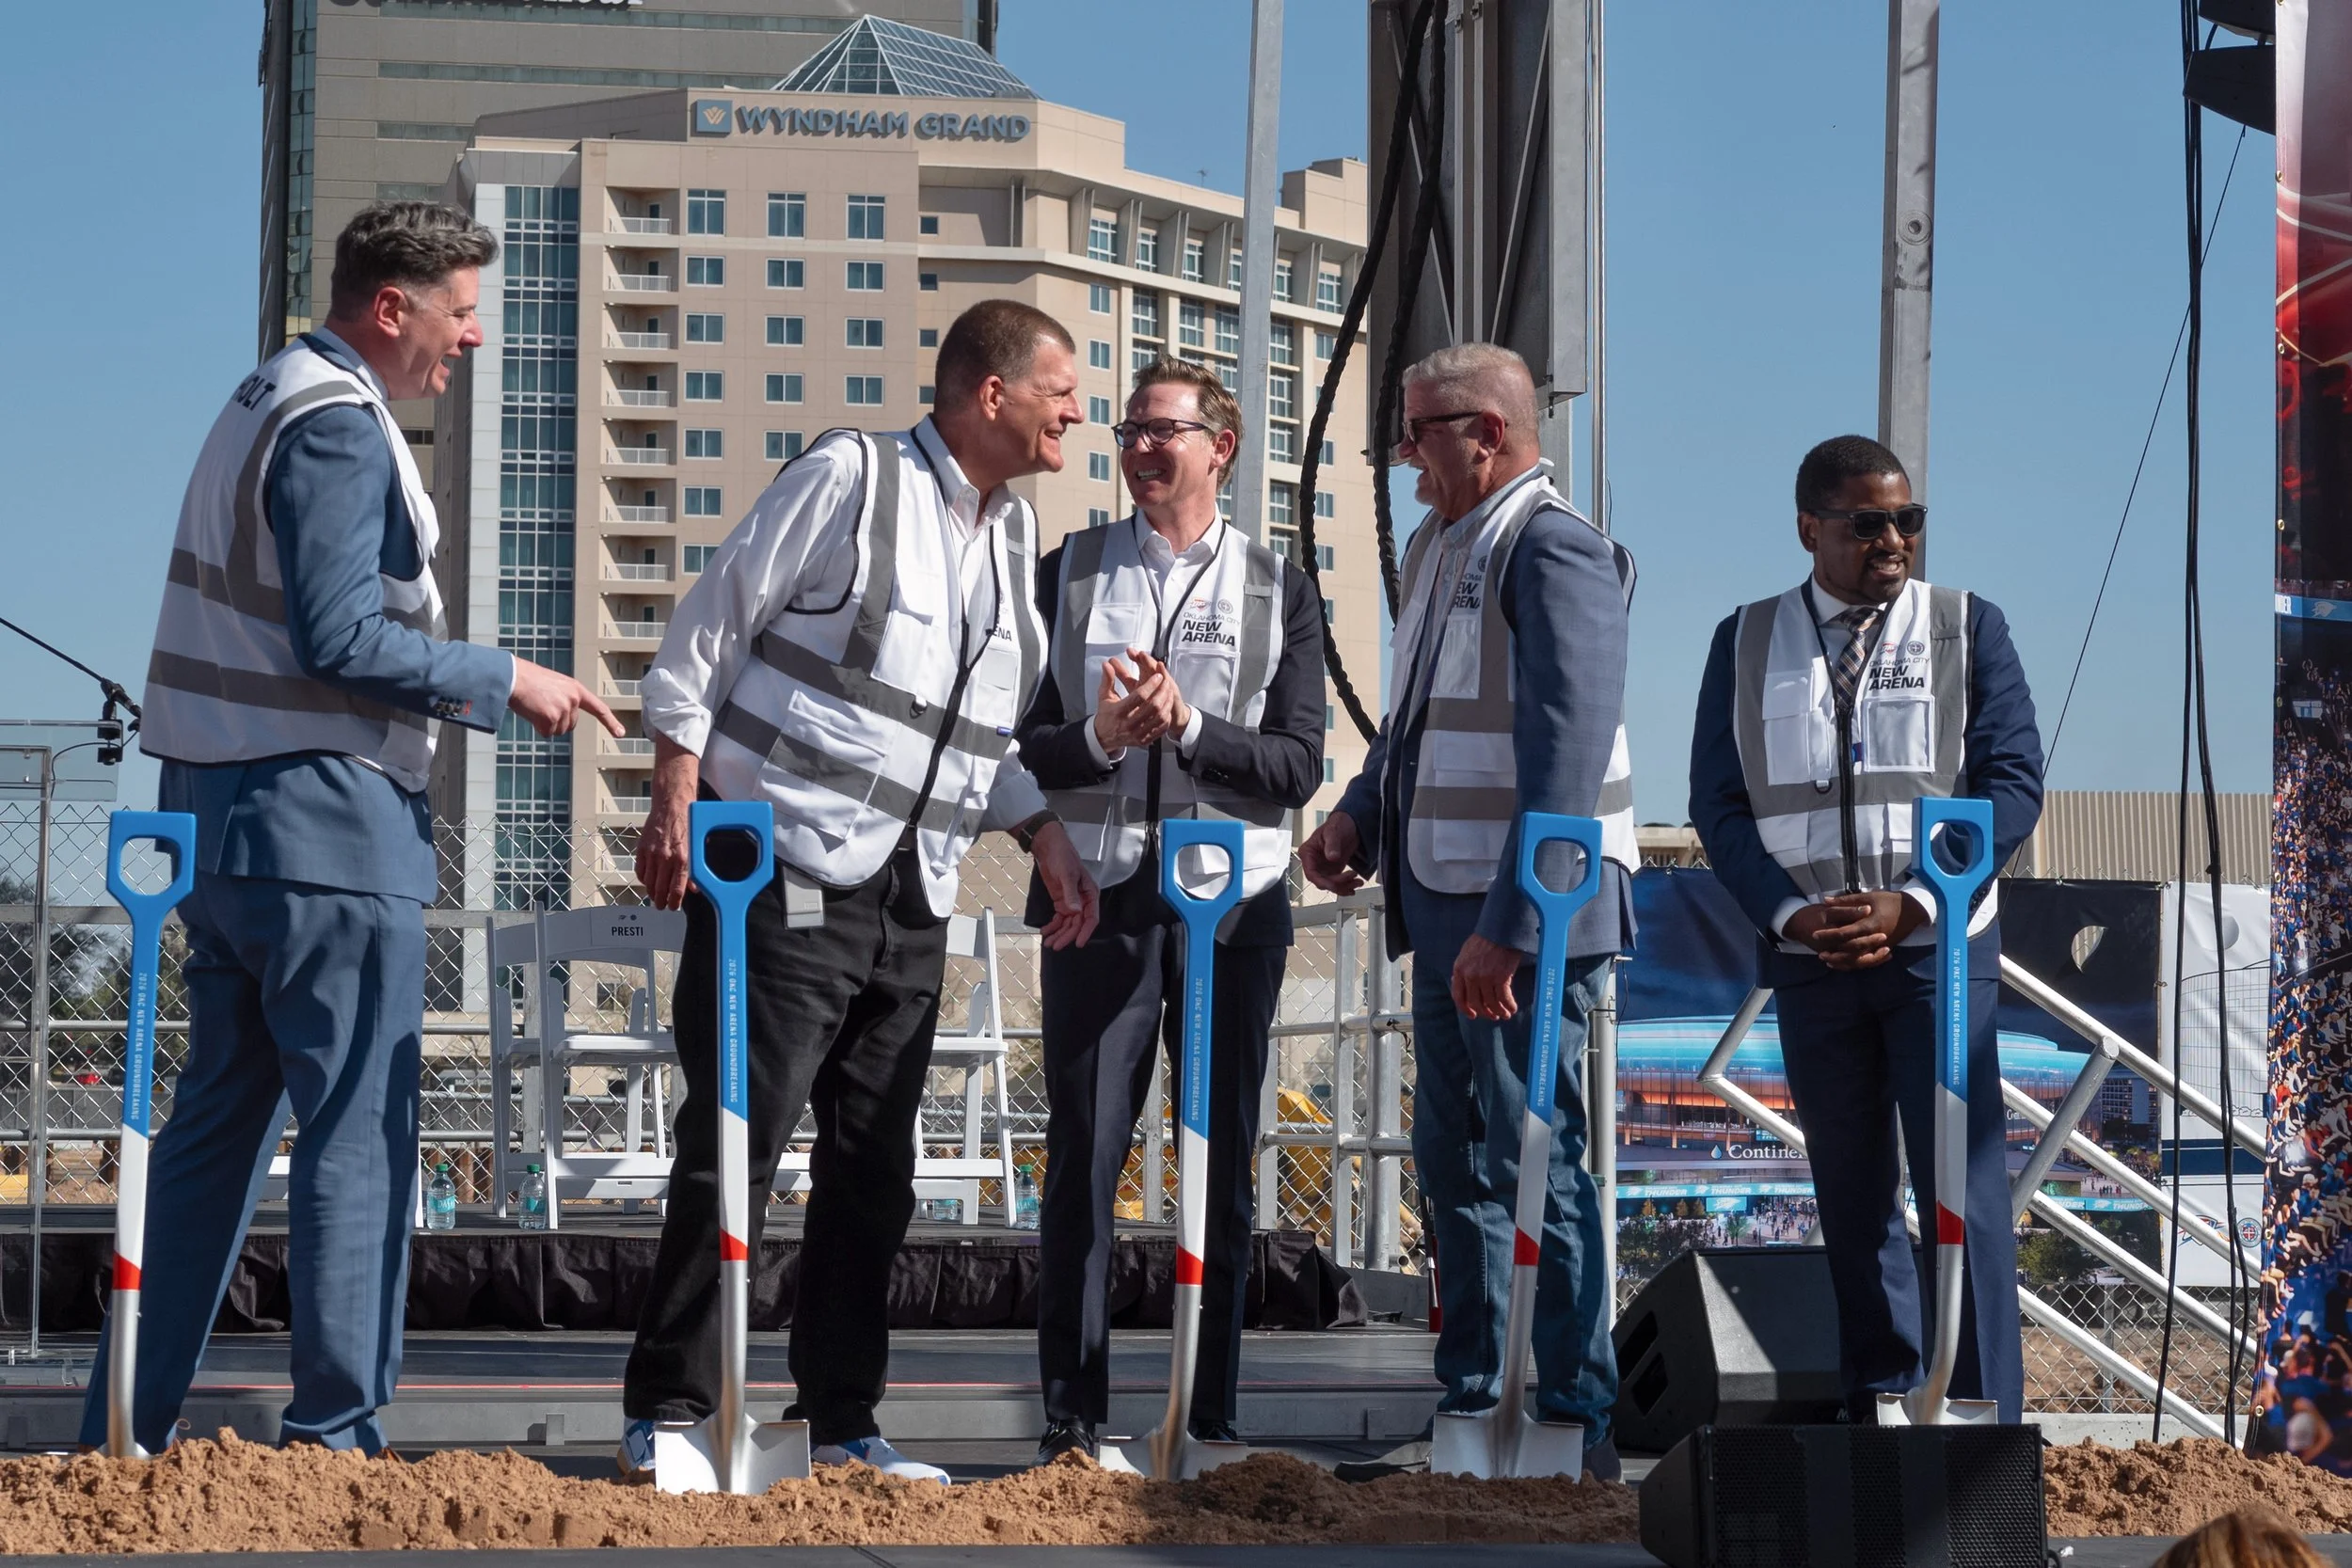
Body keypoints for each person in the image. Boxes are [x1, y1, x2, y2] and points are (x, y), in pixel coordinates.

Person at [91, 201, 616, 1454]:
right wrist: (506, 678)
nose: (473, 337)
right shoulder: (337, 425)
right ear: (393, 307)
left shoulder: (261, 397)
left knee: (214, 1135)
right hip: (323, 823)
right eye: (461, 310)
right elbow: (341, 636)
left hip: (217, 825)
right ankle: (336, 1435)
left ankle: (125, 1418)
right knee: (362, 1127)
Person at [622, 298, 1101, 1484]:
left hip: (912, 893)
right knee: (735, 1138)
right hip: (784, 865)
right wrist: (673, 779)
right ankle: (670, 1412)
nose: (1075, 416)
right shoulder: (852, 477)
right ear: (991, 393)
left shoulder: (1006, 535)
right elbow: (709, 624)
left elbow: (973, 732)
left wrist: (1039, 827)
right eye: (1062, 393)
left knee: (874, 1170)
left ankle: (839, 1420)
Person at [1298, 342, 1638, 1481]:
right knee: (1459, 1161)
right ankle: (1474, 1405)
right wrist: (1356, 812)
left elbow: (1566, 759)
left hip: (1522, 917)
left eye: (1416, 433)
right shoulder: (1444, 547)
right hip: (1447, 900)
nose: (1402, 457)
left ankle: (1572, 1421)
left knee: (1539, 1155)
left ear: (1484, 432)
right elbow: (1416, 722)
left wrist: (1513, 924)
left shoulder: (1556, 552)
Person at [1687, 433, 2042, 1424]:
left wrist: (1917, 899)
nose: (1893, 538)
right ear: (1809, 528)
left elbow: (2011, 783)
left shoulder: (1968, 625)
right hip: (1813, 958)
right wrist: (1792, 912)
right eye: (1867, 522)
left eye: (1907, 519)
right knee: (1849, 1194)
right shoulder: (1746, 637)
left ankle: (1973, 1411)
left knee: (1958, 1191)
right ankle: (1881, 1400)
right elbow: (1717, 802)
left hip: (1937, 954)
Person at [1017, 358, 1327, 1465]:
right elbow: (1014, 748)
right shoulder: (1066, 571)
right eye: (1129, 433)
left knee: (1222, 1156)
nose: (1141, 450)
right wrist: (1103, 738)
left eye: (1164, 432)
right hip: (1096, 899)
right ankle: (1072, 1415)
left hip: (1231, 906)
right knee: (1085, 1157)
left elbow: (1295, 765)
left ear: (1220, 447)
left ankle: (1209, 1412)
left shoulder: (1276, 583)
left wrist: (1187, 726)